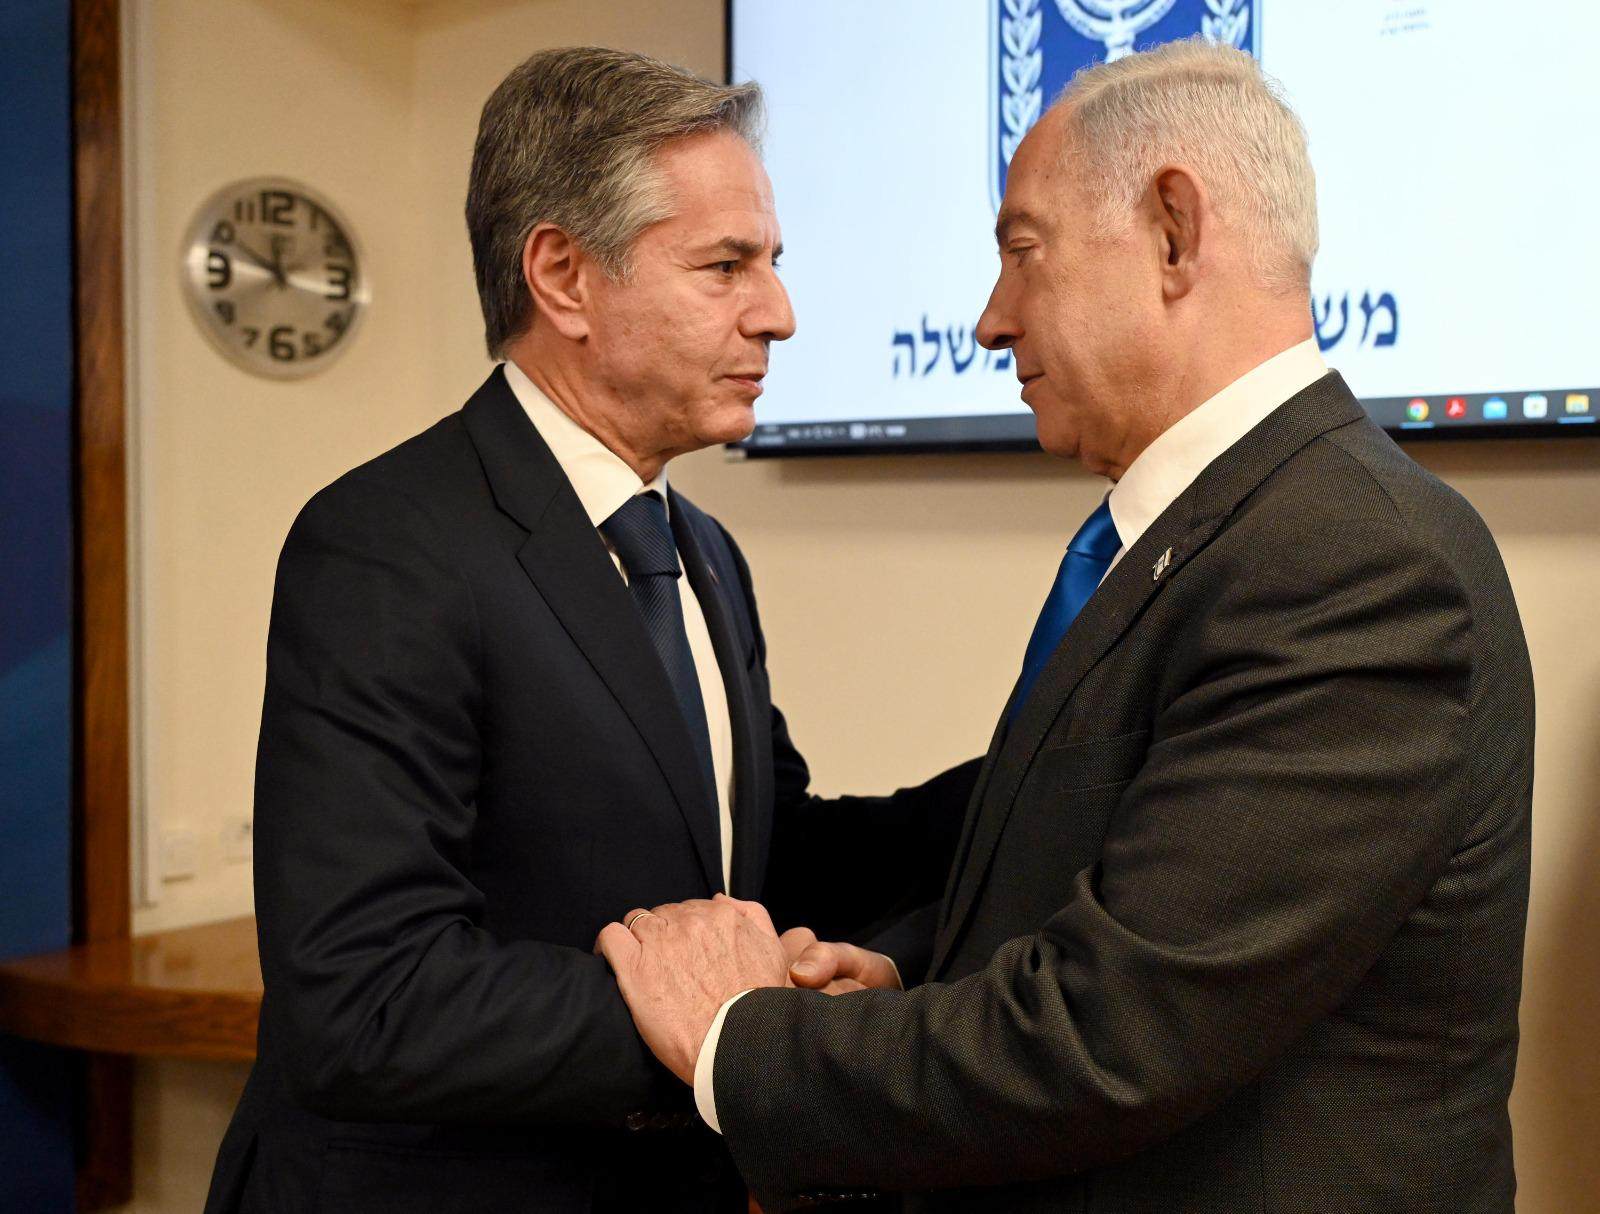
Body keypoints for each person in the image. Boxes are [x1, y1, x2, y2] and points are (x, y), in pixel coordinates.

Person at [599, 39, 1534, 1213]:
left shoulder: (1353, 560)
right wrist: (907, 966)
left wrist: (736, 1037)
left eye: (1021, 252)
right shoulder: (1211, 531)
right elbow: (1129, 870)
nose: (991, 322)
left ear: (1174, 233)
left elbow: (1111, 1031)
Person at [203, 47, 978, 1214]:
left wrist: (1038, 768)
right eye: (726, 265)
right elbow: (363, 999)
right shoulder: (385, 544)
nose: (778, 312)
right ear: (564, 276)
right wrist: (736, 1027)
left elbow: (759, 858)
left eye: (770, 263)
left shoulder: (701, 550)